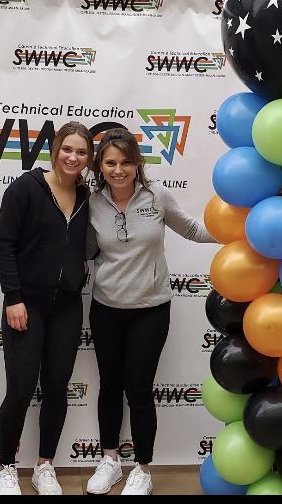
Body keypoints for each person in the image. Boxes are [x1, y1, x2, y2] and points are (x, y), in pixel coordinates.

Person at [83, 128, 216, 495]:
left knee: (139, 389)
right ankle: (110, 460)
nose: (118, 170)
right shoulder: (91, 202)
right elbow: (82, 248)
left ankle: (142, 468)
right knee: (110, 386)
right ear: (100, 166)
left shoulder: (157, 195)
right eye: (110, 163)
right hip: (106, 308)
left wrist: (240, 233)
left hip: (150, 310)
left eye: (126, 162)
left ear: (137, 163)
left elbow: (193, 230)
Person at [0, 121, 94, 495]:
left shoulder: (87, 196)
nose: (73, 157)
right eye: (67, 149)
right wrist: (13, 297)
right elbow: (3, 246)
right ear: (54, 149)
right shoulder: (25, 188)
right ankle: (5, 467)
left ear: (88, 158)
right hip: (26, 305)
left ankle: (44, 465)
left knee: (55, 388)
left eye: (81, 152)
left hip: (67, 307)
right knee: (20, 389)